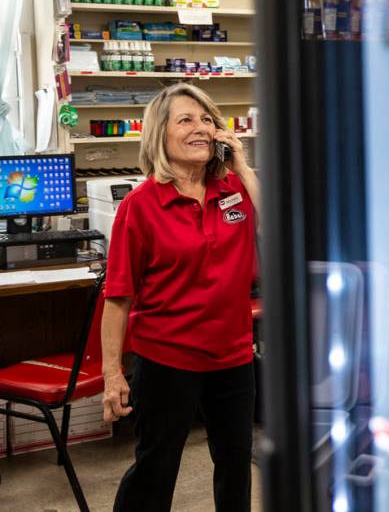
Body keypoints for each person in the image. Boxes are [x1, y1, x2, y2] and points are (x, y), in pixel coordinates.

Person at [100, 83, 260, 512]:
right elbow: (118, 297)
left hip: (233, 356)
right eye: (186, 120)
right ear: (160, 135)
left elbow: (276, 229)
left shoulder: (234, 192)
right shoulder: (141, 205)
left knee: (235, 465)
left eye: (207, 119)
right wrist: (112, 374)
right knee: (156, 468)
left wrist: (242, 166)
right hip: (166, 359)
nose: (201, 128)